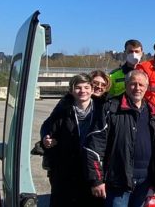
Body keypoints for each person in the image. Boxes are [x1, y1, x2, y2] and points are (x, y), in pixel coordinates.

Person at [85, 70, 155, 207]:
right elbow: (94, 147)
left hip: (145, 182)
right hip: (118, 182)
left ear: (147, 87)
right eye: (133, 84)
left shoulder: (154, 113)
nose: (137, 88)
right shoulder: (110, 109)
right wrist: (97, 180)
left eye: (141, 85)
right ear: (126, 84)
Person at [40, 73, 104, 207]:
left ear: (92, 90)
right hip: (66, 172)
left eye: (86, 87)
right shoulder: (63, 111)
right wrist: (46, 139)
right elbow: (48, 128)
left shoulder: (102, 111)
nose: (83, 91)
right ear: (71, 91)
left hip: (91, 170)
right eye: (78, 88)